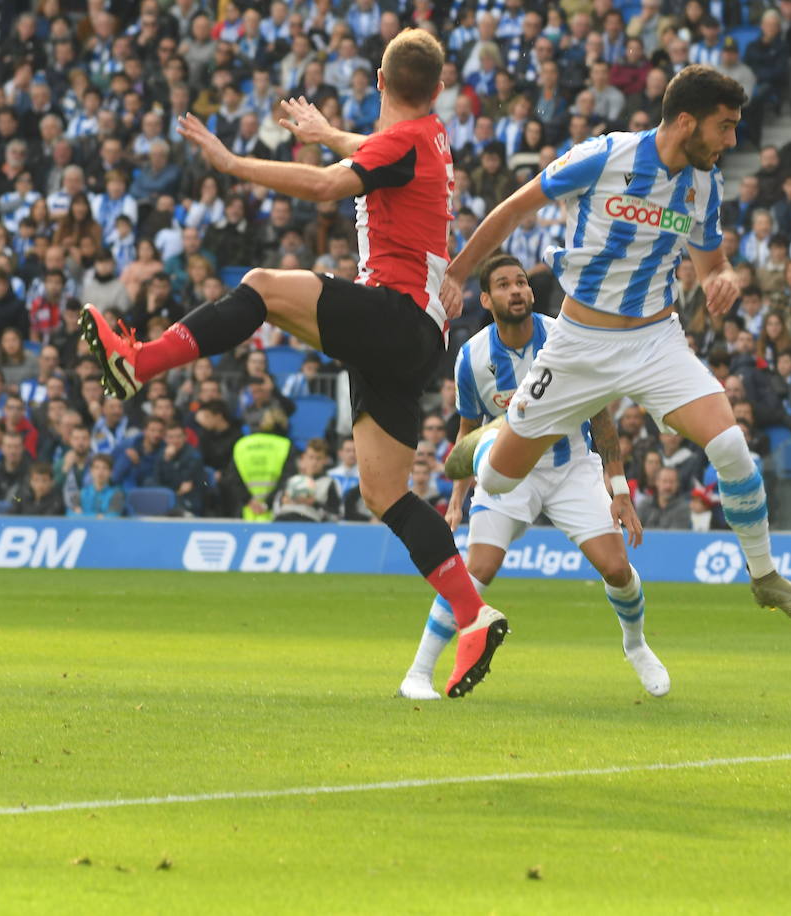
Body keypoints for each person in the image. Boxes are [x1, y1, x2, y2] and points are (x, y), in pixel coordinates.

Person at [79, 30, 504, 698]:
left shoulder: (401, 142)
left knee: (263, 286)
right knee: (385, 493)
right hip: (418, 336)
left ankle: (140, 360)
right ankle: (474, 617)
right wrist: (327, 129)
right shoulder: (429, 137)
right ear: (440, 86)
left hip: (395, 316)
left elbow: (331, 185)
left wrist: (232, 164)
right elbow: (368, 155)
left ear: (377, 78)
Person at [437, 66, 791, 624]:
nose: (732, 141)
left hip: (654, 342)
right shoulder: (602, 156)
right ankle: (491, 436)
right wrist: (456, 274)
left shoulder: (704, 183)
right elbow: (513, 211)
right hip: (577, 344)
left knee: (731, 445)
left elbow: (712, 260)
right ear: (686, 121)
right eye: (725, 127)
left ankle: (764, 576)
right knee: (497, 478)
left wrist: (724, 278)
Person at [398, 255, 665, 701]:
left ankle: (635, 646)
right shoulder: (472, 358)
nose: (516, 290)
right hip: (508, 476)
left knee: (617, 569)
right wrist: (457, 499)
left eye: (521, 282)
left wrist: (617, 489)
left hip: (571, 467)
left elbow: (600, 416)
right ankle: (417, 673)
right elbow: (467, 433)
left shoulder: (563, 339)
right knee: (477, 570)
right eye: (503, 285)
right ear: (486, 299)